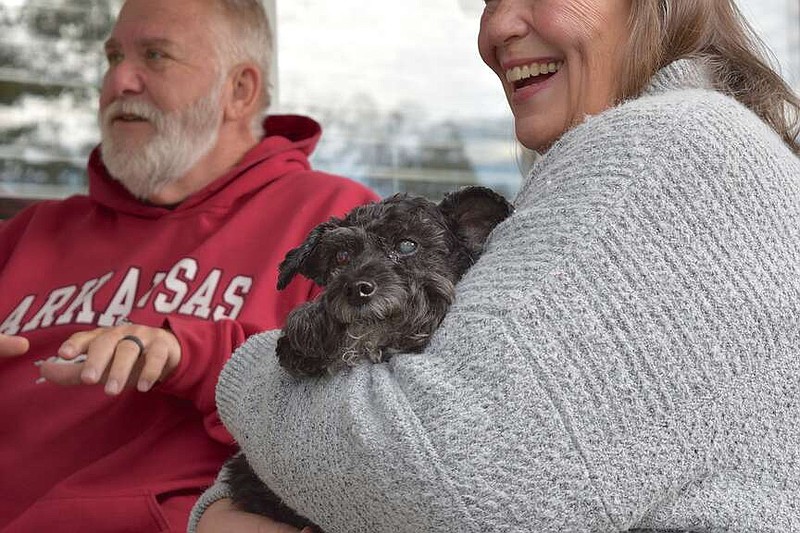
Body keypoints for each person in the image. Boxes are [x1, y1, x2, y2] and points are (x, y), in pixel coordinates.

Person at [192, 0, 800, 531]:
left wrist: (244, 375)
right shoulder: (708, 142)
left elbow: (453, 480)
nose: (496, 28)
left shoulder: (658, 151)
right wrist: (231, 504)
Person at [0, 0, 378, 530]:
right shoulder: (31, 233)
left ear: (239, 90)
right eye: (112, 57)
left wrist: (187, 355)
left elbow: (363, 433)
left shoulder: (335, 225)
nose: (119, 81)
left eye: (154, 56)